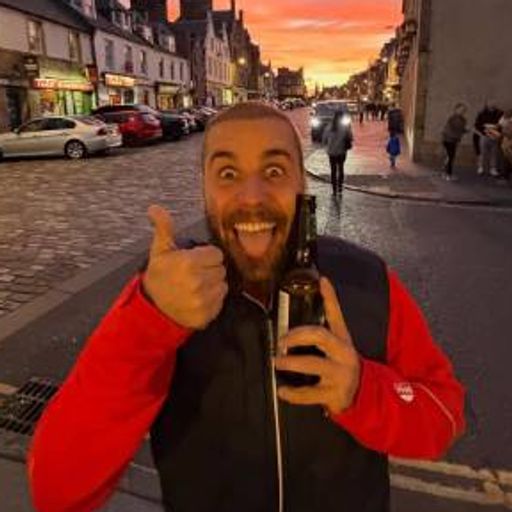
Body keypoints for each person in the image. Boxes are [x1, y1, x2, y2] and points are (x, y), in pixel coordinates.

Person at [28, 103, 465, 512]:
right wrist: (148, 321)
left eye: (274, 171)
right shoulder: (163, 296)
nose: (252, 196)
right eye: (228, 173)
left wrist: (363, 391)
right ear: (204, 190)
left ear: (302, 184)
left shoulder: (367, 281)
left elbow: (443, 418)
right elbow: (56, 488)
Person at [322, 110, 353, 196]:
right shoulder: (345, 127)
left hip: (331, 152)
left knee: (333, 170)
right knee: (341, 169)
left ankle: (334, 189)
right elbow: (351, 137)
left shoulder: (329, 127)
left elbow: (324, 140)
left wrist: (329, 144)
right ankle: (340, 187)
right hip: (341, 151)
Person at [474, 100, 504, 177]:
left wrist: (496, 130)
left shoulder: (500, 113)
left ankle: (493, 168)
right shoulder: (482, 113)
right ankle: (481, 167)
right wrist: (484, 130)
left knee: (494, 153)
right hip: (484, 135)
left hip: (495, 135)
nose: (492, 104)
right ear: (487, 104)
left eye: (494, 103)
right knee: (482, 152)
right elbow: (477, 124)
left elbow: (502, 124)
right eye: (490, 103)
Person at [441, 103, 469, 181]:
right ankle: (447, 174)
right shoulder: (453, 118)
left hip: (453, 140)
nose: (462, 111)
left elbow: (461, 129)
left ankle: (446, 173)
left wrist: (465, 130)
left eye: (463, 110)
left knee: (449, 157)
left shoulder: (462, 119)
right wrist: (465, 129)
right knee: (450, 157)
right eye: (460, 109)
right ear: (456, 109)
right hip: (448, 139)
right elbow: (457, 127)